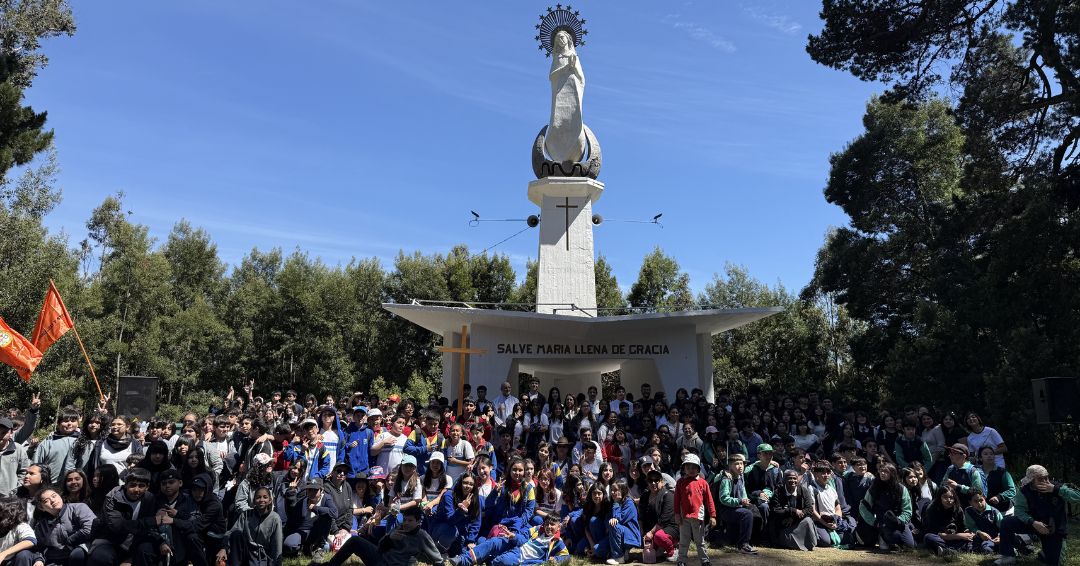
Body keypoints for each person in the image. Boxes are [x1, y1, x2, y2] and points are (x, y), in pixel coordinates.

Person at [995, 464, 1080, 566]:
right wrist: (1033, 522)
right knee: (1007, 522)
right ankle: (1008, 556)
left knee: (1055, 563)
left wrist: (1056, 490)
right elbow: (1019, 511)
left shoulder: (1057, 487)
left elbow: (1077, 497)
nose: (1044, 482)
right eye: (1040, 479)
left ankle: (1045, 551)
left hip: (1054, 529)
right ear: (1032, 480)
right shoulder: (1025, 490)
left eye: (1046, 478)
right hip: (1033, 524)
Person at [318, 505, 444, 566]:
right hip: (380, 557)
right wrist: (390, 537)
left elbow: (437, 559)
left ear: (418, 522)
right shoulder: (399, 528)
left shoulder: (422, 536)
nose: (406, 523)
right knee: (355, 540)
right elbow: (381, 547)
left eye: (410, 521)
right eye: (404, 520)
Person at [86, 467, 158, 566]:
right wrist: (152, 520)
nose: (136, 490)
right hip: (111, 540)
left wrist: (129, 558)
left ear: (147, 487)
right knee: (100, 557)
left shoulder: (149, 498)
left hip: (135, 542)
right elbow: (118, 526)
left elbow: (144, 531)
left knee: (147, 550)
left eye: (141, 486)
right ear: (125, 485)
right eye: (132, 485)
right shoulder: (112, 498)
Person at [855, 463, 915, 550]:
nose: (882, 473)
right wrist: (874, 522)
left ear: (892, 473)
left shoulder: (901, 489)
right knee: (896, 536)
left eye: (886, 471)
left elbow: (907, 510)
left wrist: (899, 521)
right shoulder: (874, 488)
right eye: (881, 471)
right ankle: (882, 536)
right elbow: (863, 507)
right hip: (881, 522)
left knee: (909, 545)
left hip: (898, 521)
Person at [218, 486, 282, 566]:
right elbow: (231, 532)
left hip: (262, 555)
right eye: (258, 497)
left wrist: (276, 563)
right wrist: (223, 548)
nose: (261, 500)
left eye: (265, 497)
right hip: (246, 551)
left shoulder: (275, 518)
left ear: (270, 501)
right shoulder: (246, 514)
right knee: (236, 534)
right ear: (254, 501)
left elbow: (277, 544)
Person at [278, 476, 338, 560]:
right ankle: (304, 547)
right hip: (303, 531)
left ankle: (319, 549)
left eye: (315, 490)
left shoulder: (326, 498)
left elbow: (334, 513)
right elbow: (292, 519)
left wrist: (315, 508)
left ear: (321, 490)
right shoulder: (301, 502)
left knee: (326, 517)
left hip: (317, 531)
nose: (312, 492)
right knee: (288, 545)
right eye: (310, 489)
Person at [31, 488, 95, 566]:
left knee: (78, 554)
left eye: (54, 496)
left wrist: (70, 542)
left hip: (80, 551)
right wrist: (38, 559)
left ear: (60, 496)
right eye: (46, 501)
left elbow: (90, 528)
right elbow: (38, 548)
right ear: (41, 507)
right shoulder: (41, 527)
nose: (52, 500)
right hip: (56, 559)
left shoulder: (79, 508)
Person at [676, 454, 721, 562]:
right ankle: (682, 560)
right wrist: (677, 514)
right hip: (684, 516)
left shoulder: (703, 483)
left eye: (694, 467)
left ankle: (704, 560)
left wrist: (713, 515)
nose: (691, 470)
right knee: (683, 540)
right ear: (684, 468)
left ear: (698, 469)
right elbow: (676, 500)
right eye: (688, 467)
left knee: (700, 540)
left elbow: (709, 500)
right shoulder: (680, 482)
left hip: (698, 516)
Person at [428, 471, 482, 557]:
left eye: (471, 484)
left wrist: (470, 540)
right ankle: (441, 552)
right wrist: (462, 509)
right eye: (465, 483)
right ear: (460, 483)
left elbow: (476, 522)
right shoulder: (449, 495)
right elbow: (450, 521)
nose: (468, 486)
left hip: (461, 533)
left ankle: (447, 548)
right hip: (443, 528)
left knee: (462, 553)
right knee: (451, 532)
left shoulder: (476, 499)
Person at [768, 469, 817, 551]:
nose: (793, 481)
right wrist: (793, 511)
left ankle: (808, 544)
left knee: (808, 520)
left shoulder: (803, 491)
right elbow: (776, 511)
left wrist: (793, 518)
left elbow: (809, 510)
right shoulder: (778, 492)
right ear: (784, 480)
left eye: (795, 478)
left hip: (798, 523)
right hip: (784, 526)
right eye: (790, 478)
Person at [921, 485, 974, 556]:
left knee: (972, 539)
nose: (949, 500)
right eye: (945, 497)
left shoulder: (958, 509)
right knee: (928, 537)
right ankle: (956, 550)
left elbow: (963, 528)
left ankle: (949, 550)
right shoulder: (931, 509)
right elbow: (938, 533)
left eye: (951, 497)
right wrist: (959, 535)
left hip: (955, 538)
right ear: (940, 498)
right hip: (940, 538)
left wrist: (969, 533)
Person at [32, 407, 81, 484]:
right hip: (52, 485)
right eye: (65, 421)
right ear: (58, 425)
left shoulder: (82, 441)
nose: (69, 423)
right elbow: (36, 464)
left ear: (77, 424)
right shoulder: (48, 441)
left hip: (75, 486)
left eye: (73, 421)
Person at [640, 469, 679, 562]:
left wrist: (650, 533)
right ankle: (659, 546)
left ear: (661, 481)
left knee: (659, 536)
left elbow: (664, 520)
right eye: (650, 480)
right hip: (653, 528)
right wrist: (641, 530)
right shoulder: (645, 495)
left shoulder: (668, 496)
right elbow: (641, 515)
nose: (653, 483)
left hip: (669, 527)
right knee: (639, 536)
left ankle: (673, 550)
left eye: (656, 480)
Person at [604, 481, 640, 565]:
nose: (612, 492)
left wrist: (616, 504)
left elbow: (620, 519)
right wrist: (610, 521)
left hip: (630, 536)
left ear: (623, 490)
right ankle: (624, 552)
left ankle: (619, 557)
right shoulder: (612, 503)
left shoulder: (629, 502)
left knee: (614, 524)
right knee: (598, 550)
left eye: (616, 490)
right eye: (611, 490)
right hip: (620, 534)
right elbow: (607, 521)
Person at [977, 445, 1015, 514]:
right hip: (984, 511)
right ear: (980, 458)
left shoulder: (1002, 472)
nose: (989, 456)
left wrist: (999, 497)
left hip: (1004, 511)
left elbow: (1012, 490)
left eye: (991, 454)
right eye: (985, 454)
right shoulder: (976, 472)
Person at [942, 443, 984, 508]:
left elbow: (978, 492)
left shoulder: (973, 471)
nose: (950, 455)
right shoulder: (950, 469)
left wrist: (958, 487)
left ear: (963, 456)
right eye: (950, 452)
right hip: (952, 509)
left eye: (954, 453)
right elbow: (942, 485)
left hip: (968, 510)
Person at [963, 488, 1002, 554]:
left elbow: (1003, 529)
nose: (980, 504)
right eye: (975, 501)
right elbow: (971, 527)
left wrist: (999, 538)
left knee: (987, 548)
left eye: (981, 500)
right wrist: (979, 533)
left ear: (985, 499)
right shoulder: (969, 511)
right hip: (977, 537)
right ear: (970, 503)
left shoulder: (994, 512)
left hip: (992, 539)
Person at [0, 495, 34, 566]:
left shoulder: (20, 526)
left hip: (13, 560)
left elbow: (31, 540)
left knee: (24, 554)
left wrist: (4, 553)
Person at [0, 419, 30, 497]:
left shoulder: (18, 449)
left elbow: (24, 472)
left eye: (4, 433)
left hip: (10, 498)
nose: (0, 435)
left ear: (11, 433)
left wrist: (16, 491)